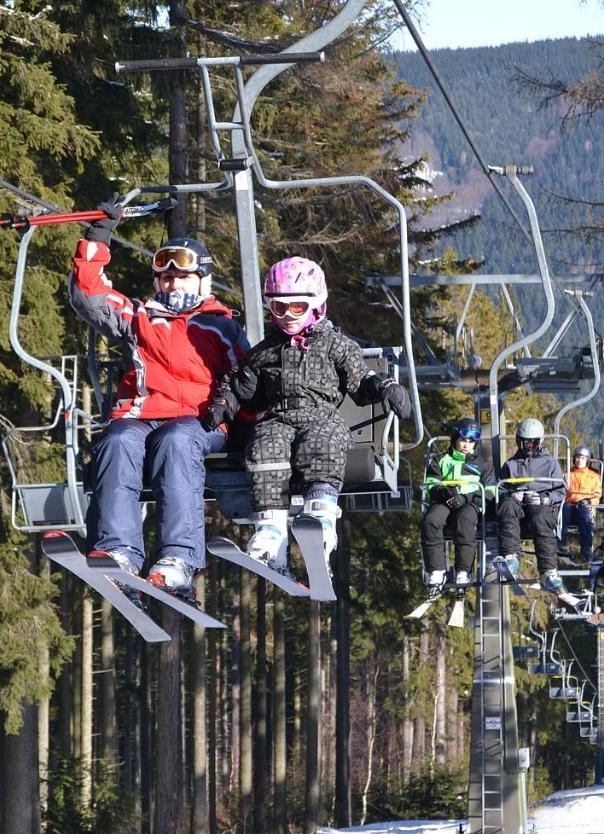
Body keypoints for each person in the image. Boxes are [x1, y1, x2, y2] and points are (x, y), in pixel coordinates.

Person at [70, 201, 249, 603]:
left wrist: (246, 424)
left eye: (182, 278)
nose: (172, 286)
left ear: (202, 282)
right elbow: (89, 296)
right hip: (140, 414)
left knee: (177, 441)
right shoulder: (139, 317)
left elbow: (248, 378)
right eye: (166, 279)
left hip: (197, 420)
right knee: (117, 442)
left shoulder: (219, 325)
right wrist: (98, 237)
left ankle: (179, 559)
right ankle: (118, 552)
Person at [204, 256, 412, 572]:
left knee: (323, 442)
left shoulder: (334, 345)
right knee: (265, 447)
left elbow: (359, 380)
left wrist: (384, 388)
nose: (287, 316)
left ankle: (321, 516)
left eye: (297, 308)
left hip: (321, 416)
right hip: (277, 418)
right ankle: (271, 531)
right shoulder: (265, 350)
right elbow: (243, 386)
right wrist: (225, 403)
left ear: (316, 305)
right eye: (278, 309)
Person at [491, 418, 567, 593]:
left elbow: (560, 492)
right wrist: (511, 494)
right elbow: (500, 489)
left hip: (540, 506)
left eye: (531, 444)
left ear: (539, 442)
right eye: (523, 442)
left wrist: (545, 499)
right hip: (518, 507)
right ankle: (511, 558)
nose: (527, 447)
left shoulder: (550, 464)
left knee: (540, 517)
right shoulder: (511, 464)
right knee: (507, 506)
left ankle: (548, 571)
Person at [421, 418, 488, 588]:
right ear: (454, 439)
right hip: (444, 501)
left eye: (471, 442)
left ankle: (463, 571)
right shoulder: (440, 460)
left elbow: (490, 491)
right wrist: (444, 492)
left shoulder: (483, 464)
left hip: (469, 503)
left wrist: (467, 498)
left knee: (464, 520)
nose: (466, 445)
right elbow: (431, 484)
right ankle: (436, 570)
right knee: (431, 521)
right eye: (463, 440)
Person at [561, 445, 601, 561]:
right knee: (562, 518)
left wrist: (590, 503)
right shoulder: (568, 474)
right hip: (569, 504)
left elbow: (597, 494)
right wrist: (564, 483)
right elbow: (560, 491)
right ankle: (560, 544)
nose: (579, 461)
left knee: (586, 521)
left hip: (583, 505)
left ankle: (586, 550)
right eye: (578, 458)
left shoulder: (594, 476)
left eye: (583, 458)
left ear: (587, 460)